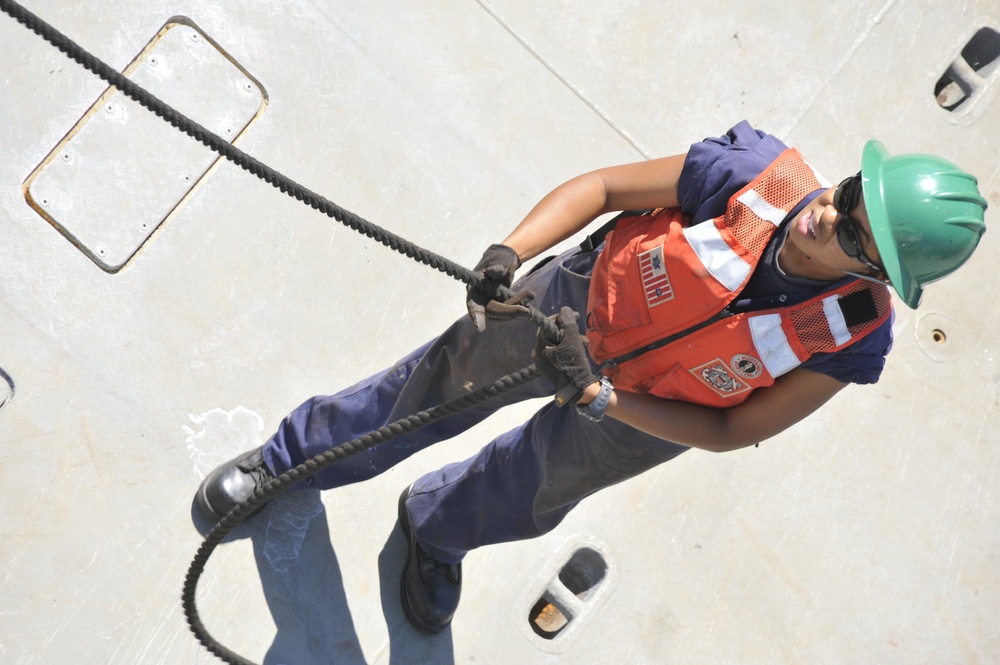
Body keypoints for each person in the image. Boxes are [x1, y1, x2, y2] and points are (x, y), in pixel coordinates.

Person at [194, 121, 987, 634]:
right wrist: (510, 251)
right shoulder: (754, 174)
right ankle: (289, 460)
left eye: (856, 233)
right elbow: (605, 189)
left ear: (881, 275)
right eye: (851, 194)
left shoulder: (854, 339)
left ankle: (434, 530)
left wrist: (607, 401)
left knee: (531, 487)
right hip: (570, 306)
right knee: (425, 390)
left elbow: (732, 429)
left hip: (648, 416)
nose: (830, 216)